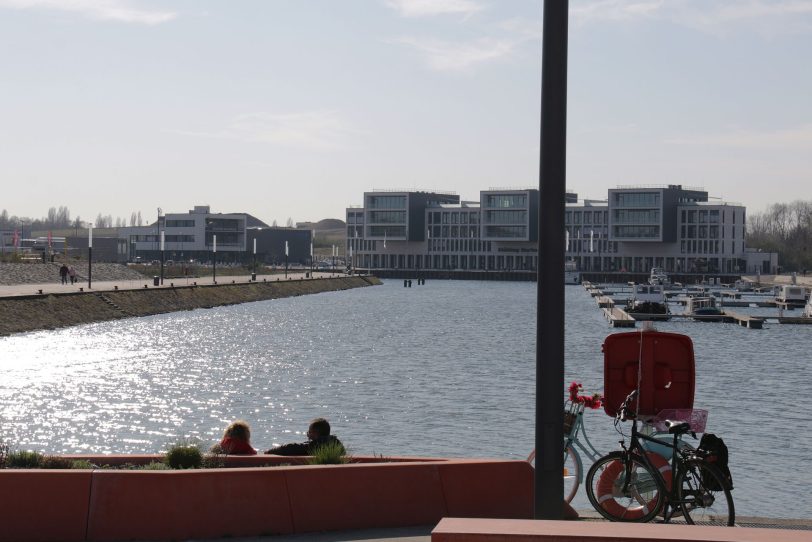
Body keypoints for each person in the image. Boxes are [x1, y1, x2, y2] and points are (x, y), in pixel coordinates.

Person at [265, 417, 344, 456]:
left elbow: (292, 448)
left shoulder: (317, 445)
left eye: (309, 432)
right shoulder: (337, 443)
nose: (308, 434)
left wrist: (270, 452)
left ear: (315, 433)